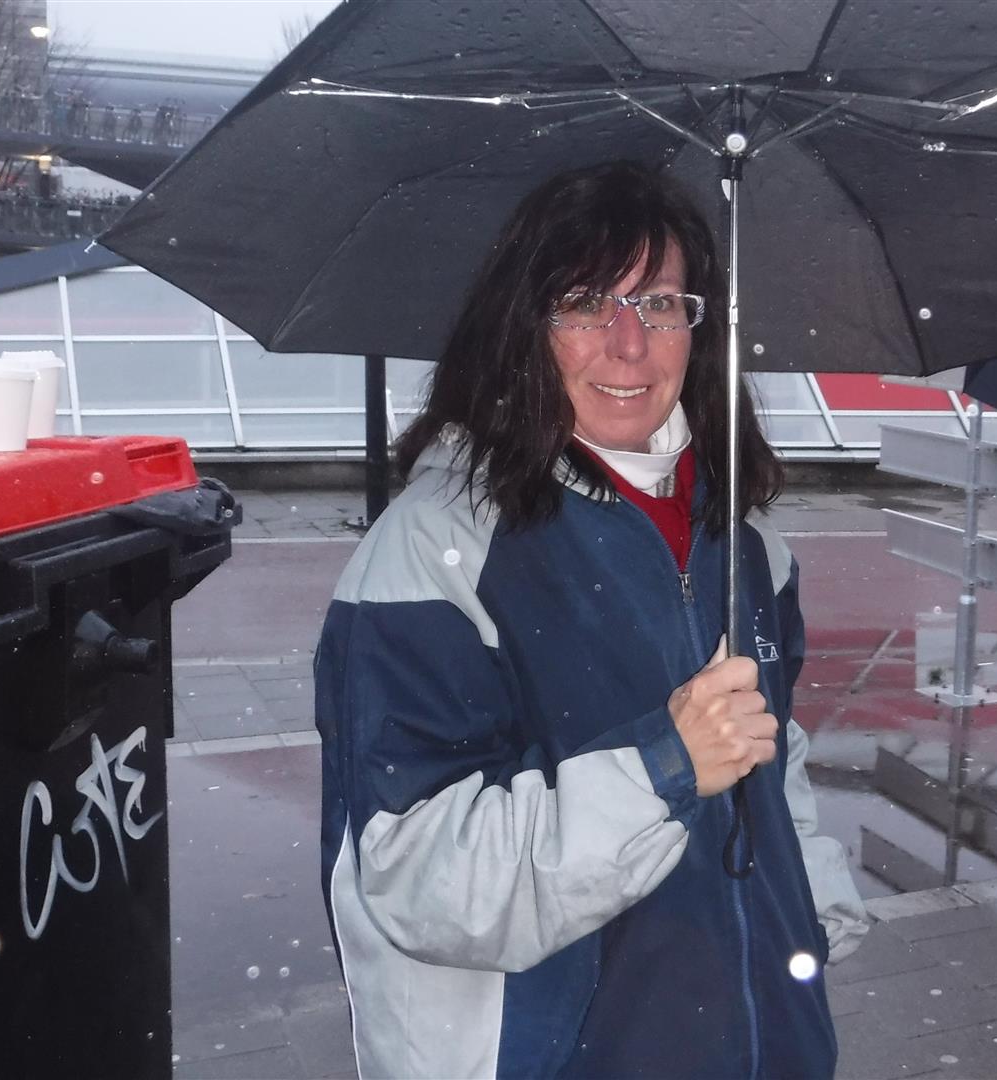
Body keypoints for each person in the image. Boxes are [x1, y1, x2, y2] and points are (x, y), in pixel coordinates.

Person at [313, 161, 867, 1079]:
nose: (629, 343)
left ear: (699, 330)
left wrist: (808, 915)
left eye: (660, 305)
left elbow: (778, 761)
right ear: (524, 327)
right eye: (583, 304)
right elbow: (413, 877)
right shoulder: (434, 550)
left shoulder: (748, 543)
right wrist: (664, 767)